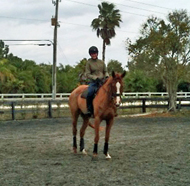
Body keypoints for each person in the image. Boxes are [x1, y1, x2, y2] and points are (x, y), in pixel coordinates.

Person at [85, 46, 109, 117]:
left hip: (103, 81)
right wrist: (95, 78)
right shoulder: (89, 63)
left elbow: (105, 71)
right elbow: (88, 74)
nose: (94, 55)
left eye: (95, 53)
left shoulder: (101, 62)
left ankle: (111, 109)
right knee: (90, 93)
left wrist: (107, 76)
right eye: (92, 54)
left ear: (97, 53)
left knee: (111, 92)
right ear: (90, 54)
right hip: (94, 82)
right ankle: (89, 109)